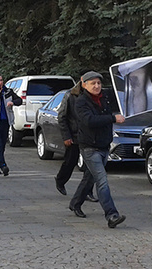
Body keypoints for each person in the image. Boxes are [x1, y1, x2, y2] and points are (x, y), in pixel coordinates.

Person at [75, 71, 126, 228]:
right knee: (102, 181)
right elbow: (89, 121)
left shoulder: (105, 97)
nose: (97, 86)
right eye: (93, 83)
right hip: (90, 147)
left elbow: (125, 87)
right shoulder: (81, 102)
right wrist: (113, 118)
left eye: (98, 83)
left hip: (104, 145)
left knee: (90, 178)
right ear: (84, 85)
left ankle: (75, 203)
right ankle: (111, 215)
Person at [54, 75, 98, 210]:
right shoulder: (70, 95)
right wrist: (66, 136)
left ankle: (88, 191)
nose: (95, 85)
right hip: (73, 136)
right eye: (92, 82)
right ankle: (61, 180)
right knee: (70, 161)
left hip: (88, 137)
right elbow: (62, 117)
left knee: (89, 166)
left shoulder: (93, 97)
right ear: (82, 82)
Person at [0, 74, 22, 176]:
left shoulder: (8, 91)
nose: (0, 82)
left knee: (2, 145)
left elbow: (19, 100)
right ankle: (3, 165)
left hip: (5, 121)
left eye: (1, 80)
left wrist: (12, 102)